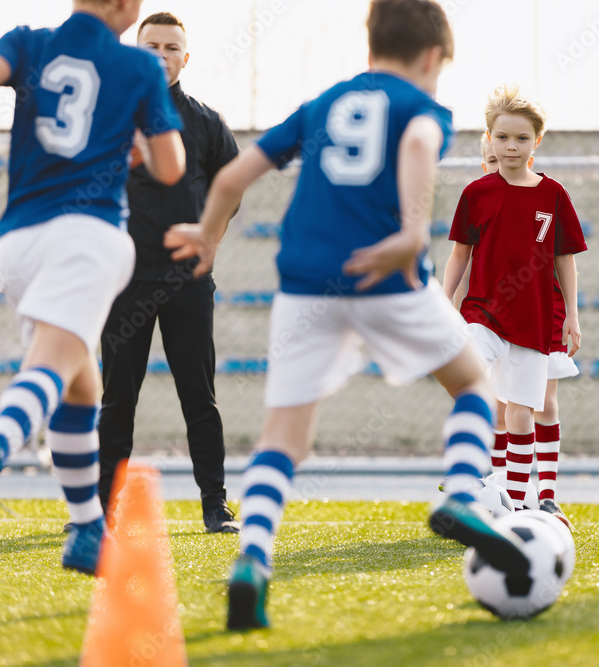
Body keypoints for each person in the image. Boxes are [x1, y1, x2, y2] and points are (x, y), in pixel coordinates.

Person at [164, 0, 531, 631]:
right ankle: (466, 495)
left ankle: (252, 558)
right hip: (386, 274)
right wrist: (414, 230)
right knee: (472, 383)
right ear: (431, 58)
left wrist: (204, 232)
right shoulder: (420, 108)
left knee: (285, 437)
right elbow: (417, 143)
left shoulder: (326, 103)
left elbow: (237, 172)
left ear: (370, 45)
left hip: (306, 283)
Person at [0, 0, 185, 574]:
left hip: (19, 244)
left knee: (80, 385)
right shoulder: (138, 69)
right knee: (50, 373)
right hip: (88, 237)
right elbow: (172, 165)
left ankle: (85, 530)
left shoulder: (29, 40)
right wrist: (140, 143)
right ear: (129, 9)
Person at [97, 11, 242, 534]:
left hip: (186, 282)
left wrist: (210, 243)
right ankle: (102, 512)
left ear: (186, 57)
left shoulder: (205, 121)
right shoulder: (111, 119)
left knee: (199, 397)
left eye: (171, 47)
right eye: (150, 46)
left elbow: (232, 190)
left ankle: (215, 506)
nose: (161, 55)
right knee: (117, 397)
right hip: (125, 280)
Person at [442, 85, 586, 526]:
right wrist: (442, 303)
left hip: (534, 323)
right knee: (468, 383)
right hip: (482, 315)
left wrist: (573, 318)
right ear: (489, 138)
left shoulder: (553, 195)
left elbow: (565, 259)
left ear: (536, 143)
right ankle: (474, 479)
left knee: (523, 411)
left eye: (521, 139)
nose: (511, 146)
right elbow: (459, 254)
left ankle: (520, 507)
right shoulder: (476, 193)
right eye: (502, 137)